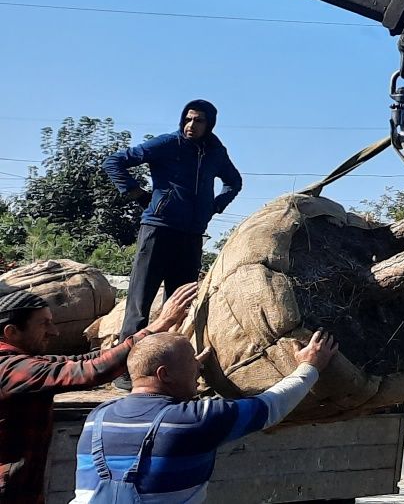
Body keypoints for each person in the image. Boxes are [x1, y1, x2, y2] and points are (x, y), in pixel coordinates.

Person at [72, 330, 337, 504]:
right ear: (164, 375)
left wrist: (183, 368)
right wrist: (309, 367)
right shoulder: (195, 420)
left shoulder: (98, 417)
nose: (199, 366)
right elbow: (271, 407)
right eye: (192, 361)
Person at [0, 284, 197, 504]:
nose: (54, 331)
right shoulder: (9, 369)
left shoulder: (21, 363)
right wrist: (159, 325)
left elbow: (82, 360)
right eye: (44, 323)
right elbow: (92, 371)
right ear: (12, 332)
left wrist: (135, 342)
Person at [103, 100, 242, 352]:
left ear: (209, 124)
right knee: (139, 302)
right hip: (159, 228)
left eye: (198, 120)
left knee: (180, 303)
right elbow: (114, 161)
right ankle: (123, 366)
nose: (191, 125)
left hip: (191, 235)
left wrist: (213, 206)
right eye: (188, 119)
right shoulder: (168, 144)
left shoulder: (215, 152)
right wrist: (138, 194)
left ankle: (165, 364)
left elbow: (234, 182)